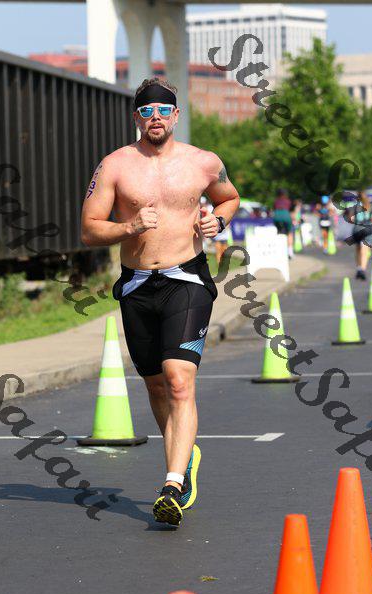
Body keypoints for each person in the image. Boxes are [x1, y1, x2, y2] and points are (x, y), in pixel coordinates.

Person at [80, 77, 240, 527]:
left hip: (186, 278)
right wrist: (130, 227)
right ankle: (184, 455)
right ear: (136, 117)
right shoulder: (115, 166)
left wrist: (218, 222)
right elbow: (89, 229)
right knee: (155, 386)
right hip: (136, 285)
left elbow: (229, 198)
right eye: (146, 111)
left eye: (163, 110)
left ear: (175, 115)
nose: (155, 118)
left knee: (178, 380)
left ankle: (172, 482)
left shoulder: (204, 163)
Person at [344, 190, 372, 280]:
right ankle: (362, 269)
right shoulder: (371, 207)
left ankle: (359, 268)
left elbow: (350, 218)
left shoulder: (355, 206)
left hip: (357, 229)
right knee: (364, 250)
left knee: (358, 249)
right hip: (367, 230)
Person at [272, 188, 293, 258]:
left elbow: (274, 209)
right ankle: (290, 252)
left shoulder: (276, 201)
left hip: (277, 216)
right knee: (289, 233)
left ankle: (279, 250)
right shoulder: (288, 201)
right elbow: (290, 210)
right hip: (286, 216)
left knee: (278, 232)